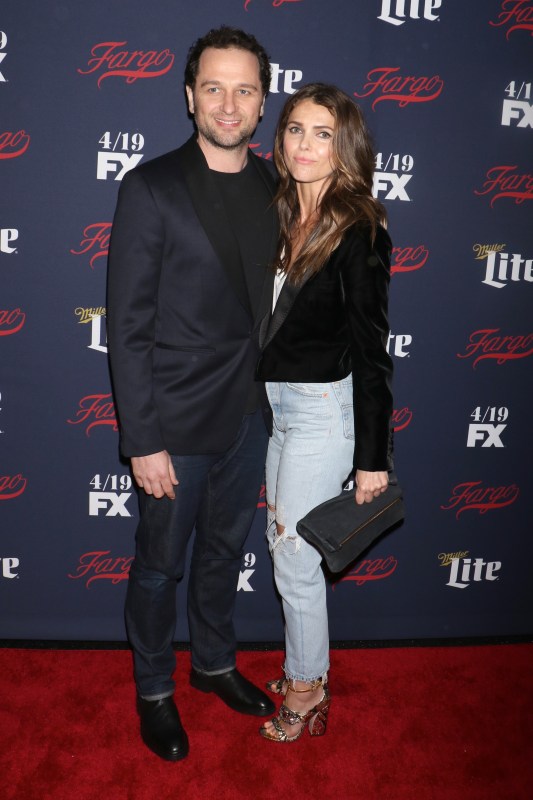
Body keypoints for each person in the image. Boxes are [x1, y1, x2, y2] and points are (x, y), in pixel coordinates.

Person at [106, 26, 278, 762]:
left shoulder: (281, 186)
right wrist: (142, 438)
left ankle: (212, 664)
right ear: (188, 97)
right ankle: (153, 689)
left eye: (243, 89)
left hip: (252, 416)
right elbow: (128, 326)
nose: (228, 103)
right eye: (213, 87)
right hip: (173, 425)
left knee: (223, 553)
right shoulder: (151, 187)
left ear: (262, 101)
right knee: (158, 565)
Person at [255, 83, 394, 743]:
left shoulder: (357, 225)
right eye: (293, 129)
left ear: (344, 147)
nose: (303, 144)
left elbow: (372, 352)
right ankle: (303, 666)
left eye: (320, 132)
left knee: (292, 558)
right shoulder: (281, 209)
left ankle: (307, 690)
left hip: (323, 413)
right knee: (284, 546)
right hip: (281, 408)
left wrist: (372, 458)